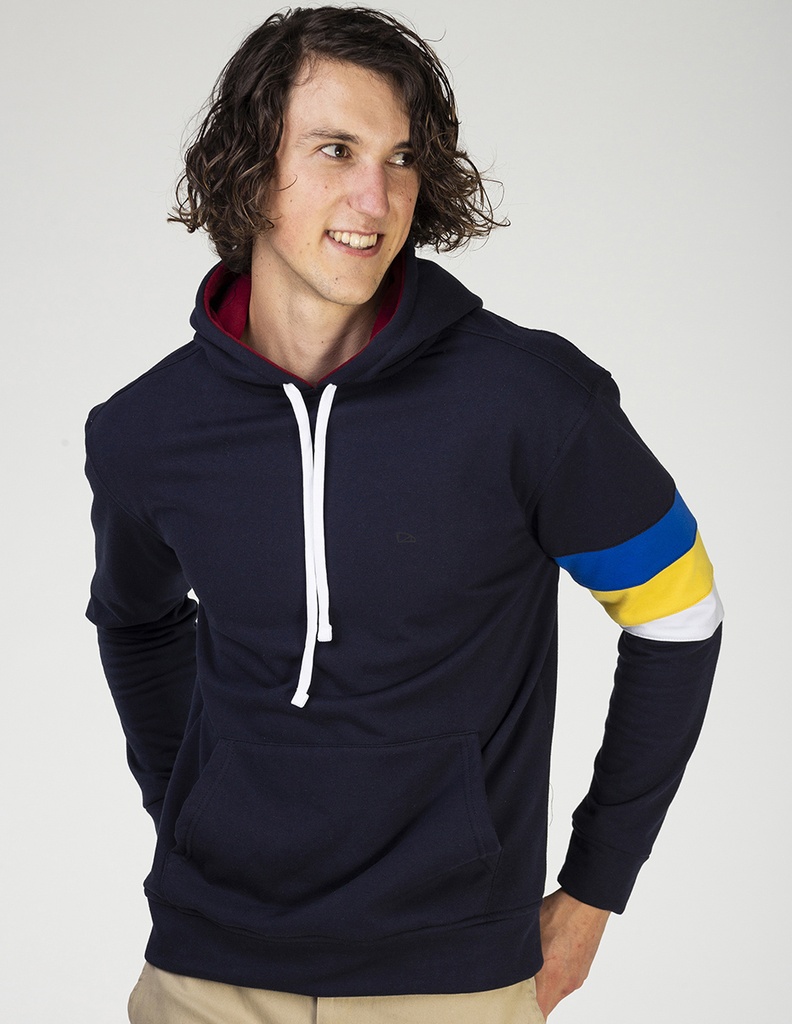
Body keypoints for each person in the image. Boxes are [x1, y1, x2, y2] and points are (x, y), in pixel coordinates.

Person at [85, 7, 723, 1022]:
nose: (374, 199)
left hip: (450, 979)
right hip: (201, 975)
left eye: (402, 158)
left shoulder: (531, 401)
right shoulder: (146, 429)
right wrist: (190, 813)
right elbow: (135, 622)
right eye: (335, 149)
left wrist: (595, 891)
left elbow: (679, 616)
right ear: (249, 166)